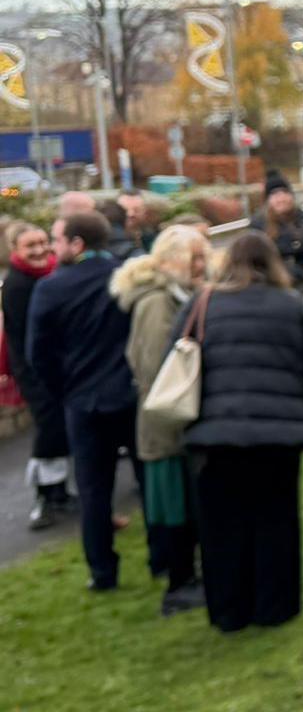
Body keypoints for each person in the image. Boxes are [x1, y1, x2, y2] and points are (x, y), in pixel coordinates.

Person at [183, 232, 303, 632]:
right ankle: (274, 606)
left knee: (222, 526)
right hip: (278, 430)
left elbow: (177, 353)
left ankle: (229, 610)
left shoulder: (204, 303)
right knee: (275, 519)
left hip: (215, 430)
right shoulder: (290, 304)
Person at [25, 211, 137, 591]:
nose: (53, 249)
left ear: (77, 244)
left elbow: (37, 354)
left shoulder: (51, 289)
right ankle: (167, 561)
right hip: (129, 394)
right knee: (150, 480)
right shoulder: (125, 276)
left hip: (82, 402)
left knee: (94, 492)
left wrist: (64, 392)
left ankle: (103, 573)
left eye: (57, 241)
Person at [113, 224, 209, 615]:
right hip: (166, 423)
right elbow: (156, 369)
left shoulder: (174, 295)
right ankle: (178, 584)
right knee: (174, 508)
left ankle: (185, 576)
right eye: (195, 258)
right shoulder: (157, 303)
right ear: (174, 261)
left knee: (182, 505)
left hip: (173, 419)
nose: (203, 265)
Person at [2, 221, 71, 529]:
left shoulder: (54, 274)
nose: (40, 250)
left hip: (57, 367)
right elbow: (22, 339)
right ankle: (44, 496)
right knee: (49, 431)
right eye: (31, 245)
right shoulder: (17, 286)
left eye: (43, 242)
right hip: (34, 372)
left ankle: (59, 493)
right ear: (15, 250)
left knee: (59, 430)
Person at [262, 172, 303, 342]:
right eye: (274, 194)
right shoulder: (260, 226)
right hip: (279, 294)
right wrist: (294, 273)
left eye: (284, 193)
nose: (281, 198)